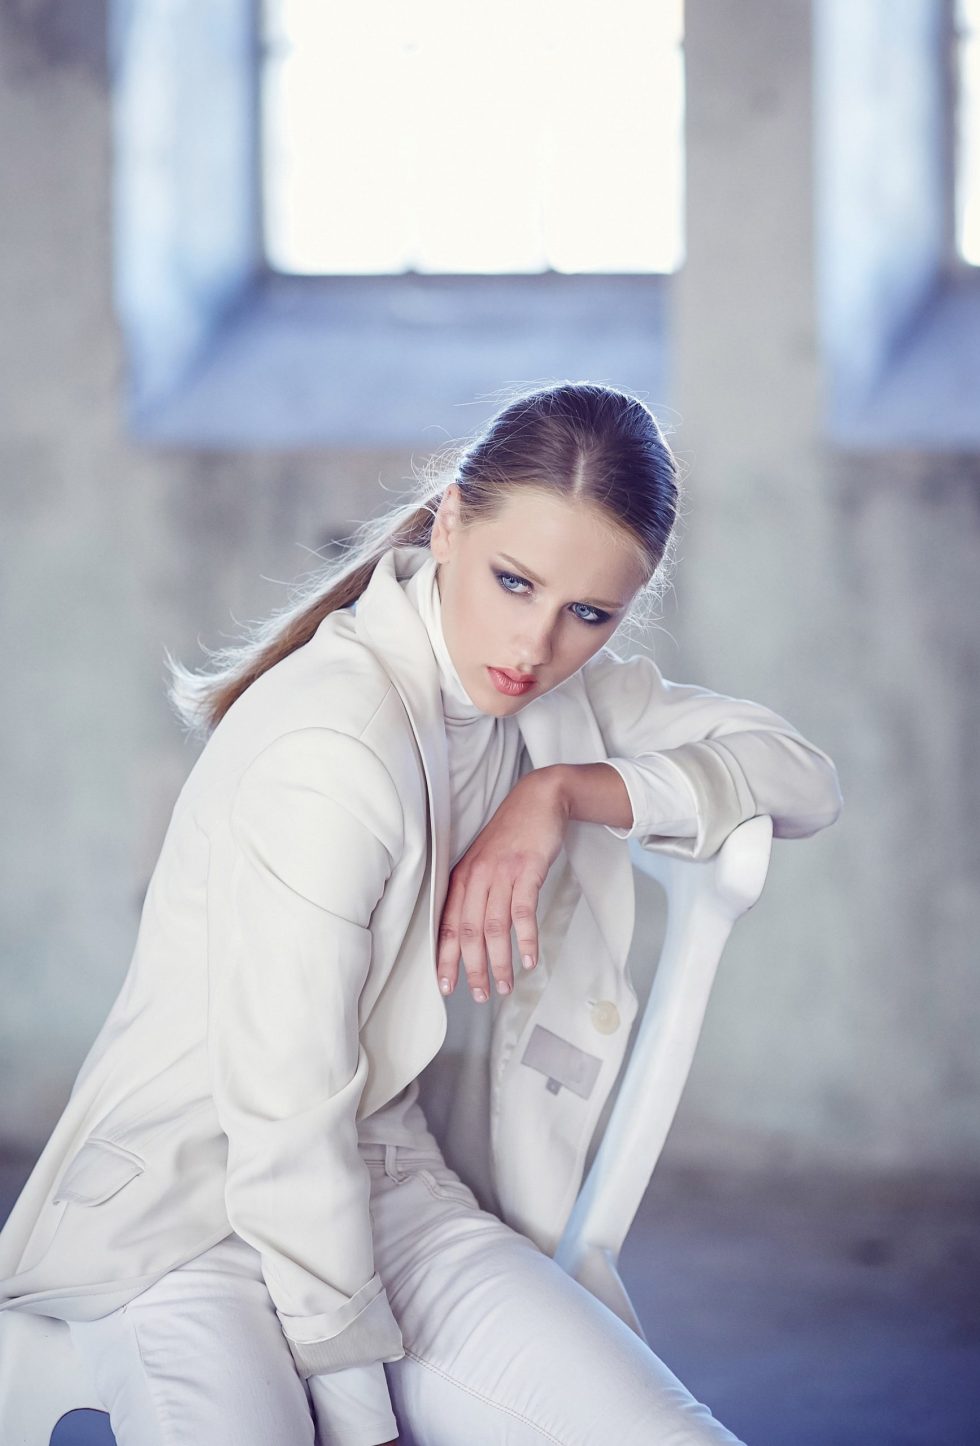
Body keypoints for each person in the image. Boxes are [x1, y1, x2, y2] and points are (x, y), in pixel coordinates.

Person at [0, 381, 843, 1445]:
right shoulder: (333, 746)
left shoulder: (551, 708)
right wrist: (361, 1416)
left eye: (588, 613)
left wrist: (564, 792)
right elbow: (283, 1110)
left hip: (389, 1181)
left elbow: (802, 779)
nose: (534, 645)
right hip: (186, 1209)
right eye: (512, 581)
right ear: (448, 523)